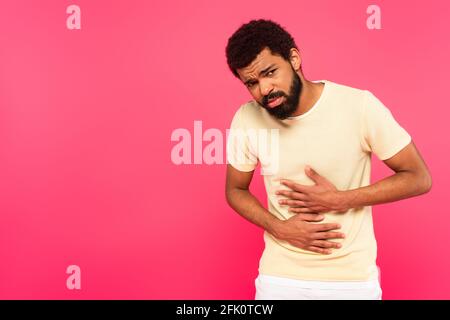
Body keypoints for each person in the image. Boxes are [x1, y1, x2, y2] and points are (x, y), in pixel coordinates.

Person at [224, 19, 432, 300]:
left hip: (352, 281)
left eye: (270, 72)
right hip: (280, 279)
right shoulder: (247, 118)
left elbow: (418, 177)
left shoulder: (359, 106)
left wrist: (340, 199)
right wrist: (279, 228)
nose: (264, 89)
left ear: (294, 58)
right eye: (252, 82)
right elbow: (235, 190)